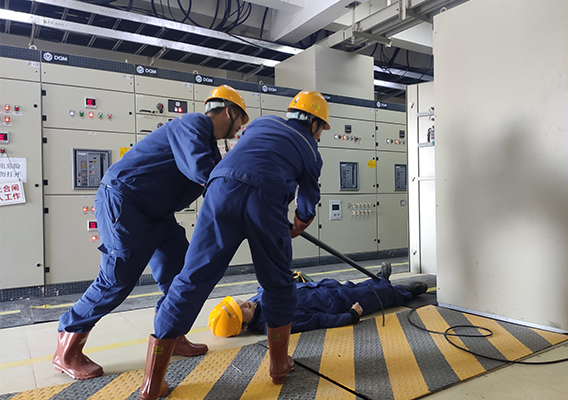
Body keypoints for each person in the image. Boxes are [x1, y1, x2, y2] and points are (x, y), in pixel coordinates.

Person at [139, 91, 329, 400]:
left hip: (221, 190)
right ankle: (279, 365)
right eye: (321, 130)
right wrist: (299, 223)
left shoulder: (262, 123)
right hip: (266, 200)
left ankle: (152, 381)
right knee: (277, 283)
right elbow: (308, 197)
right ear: (315, 124)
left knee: (191, 278)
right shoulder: (310, 148)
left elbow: (243, 155)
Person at [53, 85, 249, 381]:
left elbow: (214, 178)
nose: (239, 129)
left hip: (157, 213)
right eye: (240, 120)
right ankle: (67, 349)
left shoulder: (208, 143)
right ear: (228, 111)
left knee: (180, 274)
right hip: (126, 202)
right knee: (117, 279)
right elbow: (204, 173)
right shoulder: (194, 124)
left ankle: (172, 334)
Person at [207, 263, 428, 337]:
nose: (243, 304)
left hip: (326, 288)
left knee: (362, 286)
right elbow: (318, 321)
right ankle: (405, 292)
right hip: (340, 303)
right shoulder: (275, 321)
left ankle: (381, 281)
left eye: (237, 302)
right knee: (380, 297)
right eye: (241, 310)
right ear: (244, 326)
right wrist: (351, 316)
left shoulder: (254, 302)